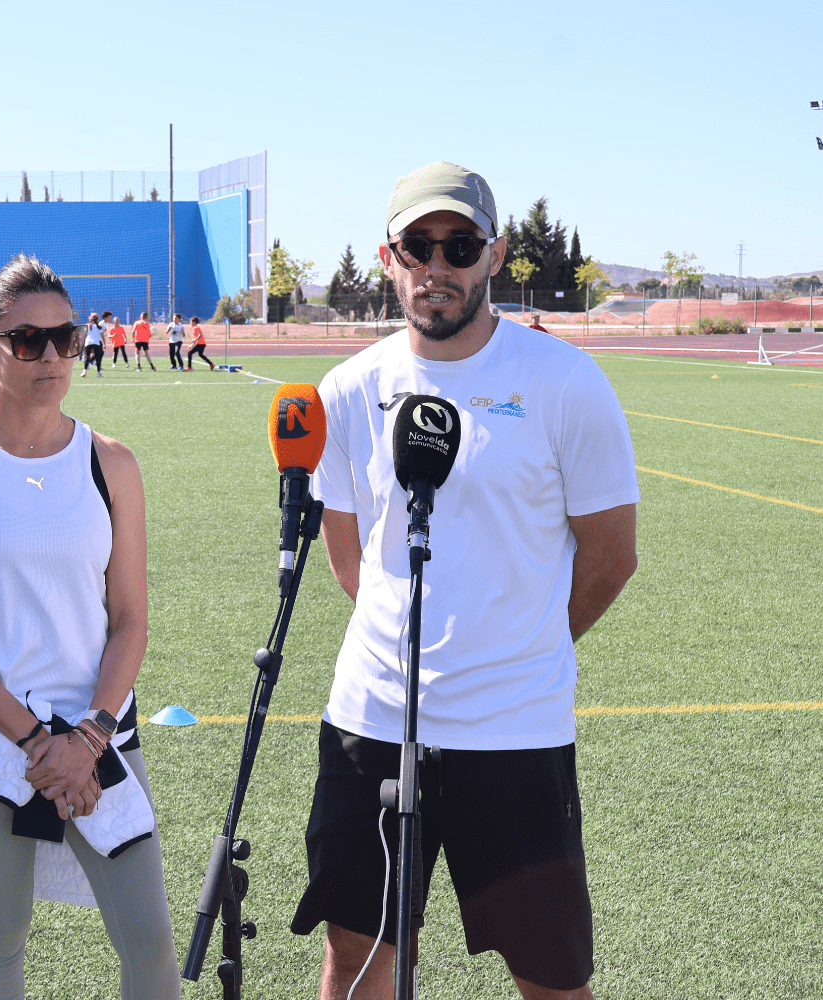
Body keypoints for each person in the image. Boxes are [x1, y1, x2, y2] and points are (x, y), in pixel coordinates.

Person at [290, 161, 639, 1000]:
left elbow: (610, 554)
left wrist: (522, 642)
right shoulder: (348, 389)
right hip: (371, 721)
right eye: (417, 245)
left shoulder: (564, 382)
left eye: (458, 244)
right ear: (388, 257)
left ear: (495, 253)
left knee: (551, 976)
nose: (436, 265)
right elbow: (350, 557)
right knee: (356, 957)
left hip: (515, 731)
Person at [0, 254, 179, 999]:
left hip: (96, 734)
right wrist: (33, 740)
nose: (50, 356)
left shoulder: (111, 463)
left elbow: (130, 620)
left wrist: (86, 739)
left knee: (149, 941)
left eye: (64, 337)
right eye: (26, 340)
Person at [80, 312, 105, 377]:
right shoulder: (99, 327)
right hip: (96, 343)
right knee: (98, 358)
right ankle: (99, 373)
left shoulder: (87, 325)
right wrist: (104, 344)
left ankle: (84, 371)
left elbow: (82, 334)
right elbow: (102, 336)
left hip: (88, 343)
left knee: (87, 357)